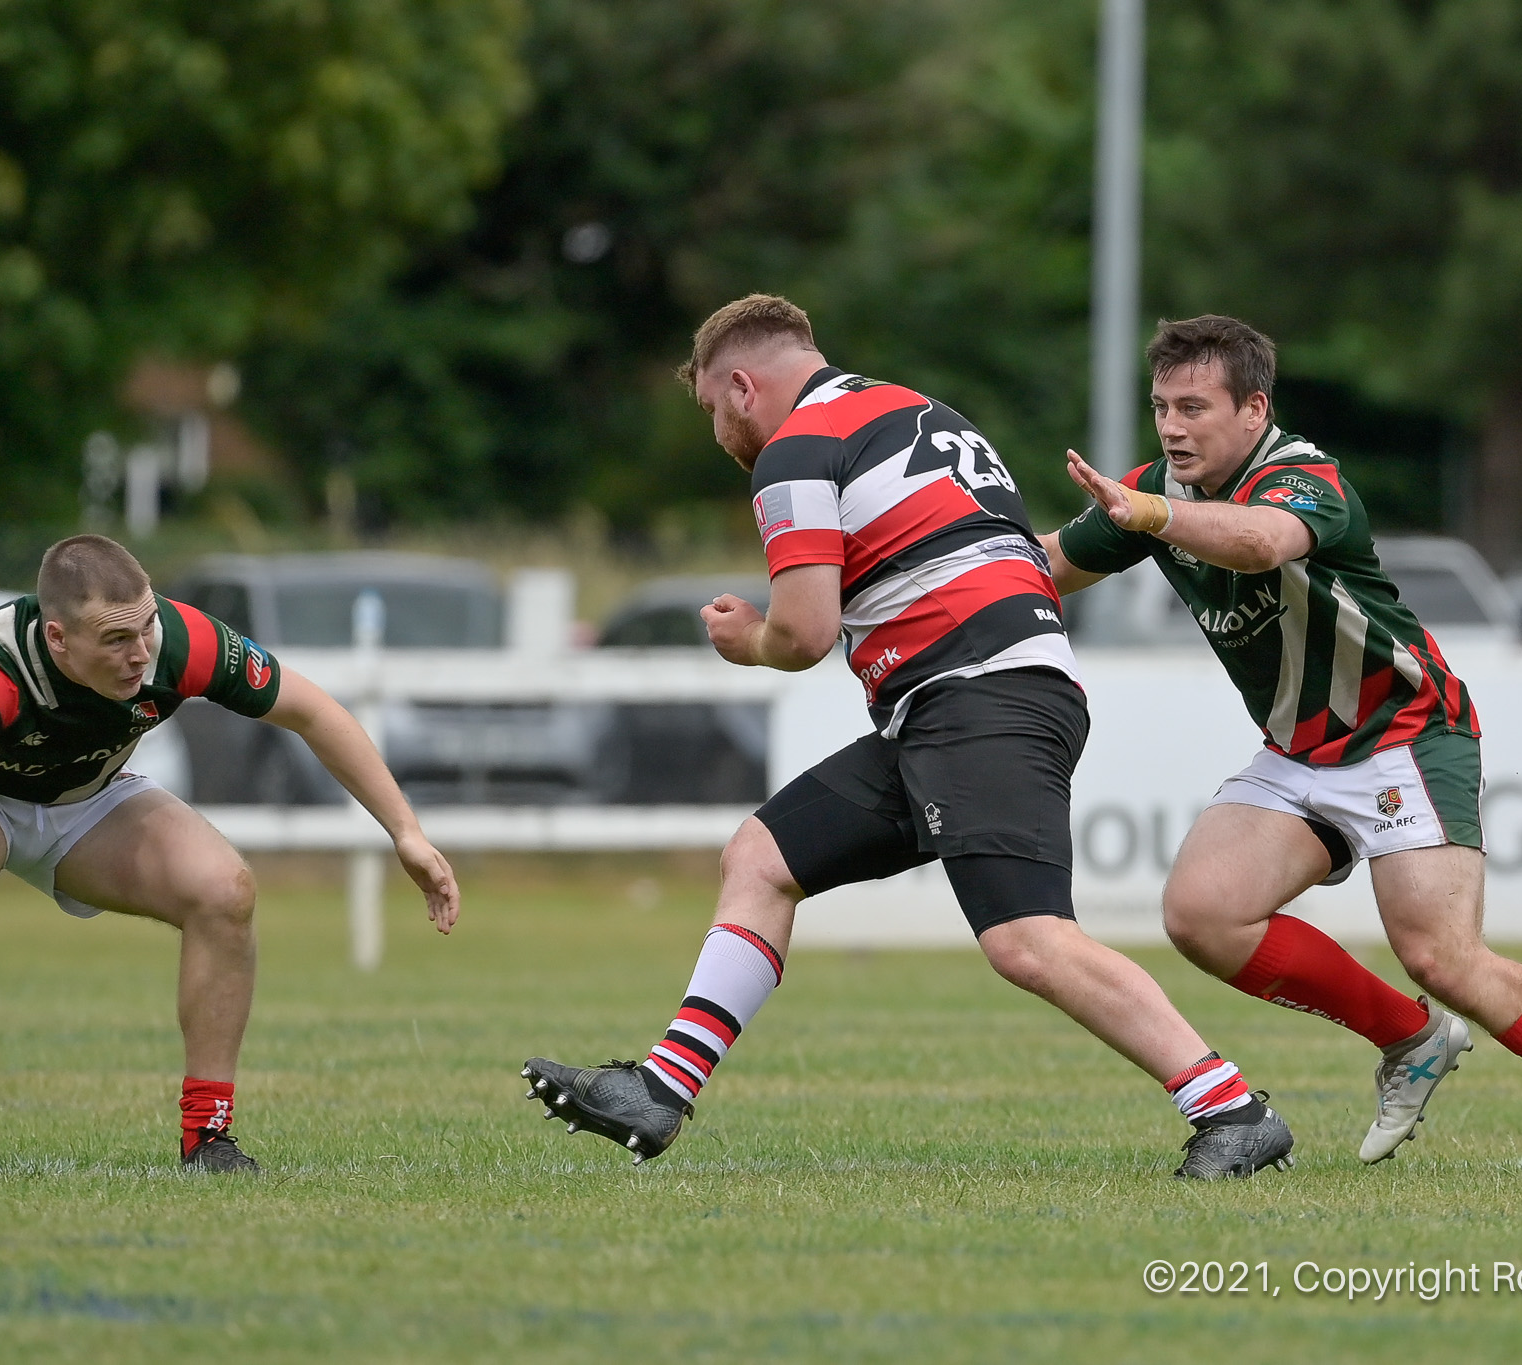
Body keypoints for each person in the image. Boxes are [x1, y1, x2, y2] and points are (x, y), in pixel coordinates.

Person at [521, 294, 1294, 1180]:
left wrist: (750, 640)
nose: (718, 430)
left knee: (1028, 938)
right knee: (763, 855)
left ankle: (1229, 1107)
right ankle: (661, 1089)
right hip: (962, 698)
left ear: (742, 384)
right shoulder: (909, 407)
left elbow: (805, 633)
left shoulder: (796, 449)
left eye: (711, 409)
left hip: (978, 696)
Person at [1041, 314, 1522, 1176]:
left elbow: (1259, 541)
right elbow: (1046, 564)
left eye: (1194, 406)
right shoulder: (1158, 492)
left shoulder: (1303, 477)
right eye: (1162, 405)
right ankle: (1409, 1035)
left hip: (1407, 733)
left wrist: (1150, 513)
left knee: (1442, 955)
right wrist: (928, 568)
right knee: (1203, 914)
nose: (1171, 425)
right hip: (1298, 752)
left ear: (1253, 409)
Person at [0, 534, 460, 1174]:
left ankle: (208, 1137)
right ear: (59, 638)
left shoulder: (178, 641)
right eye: (116, 640)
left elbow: (314, 712)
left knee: (224, 888)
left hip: (88, 803)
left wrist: (406, 832)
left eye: (146, 627)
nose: (140, 653)